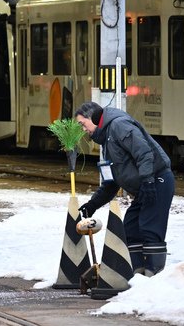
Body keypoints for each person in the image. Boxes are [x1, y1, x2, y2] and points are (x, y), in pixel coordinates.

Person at [75, 101, 175, 277]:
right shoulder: (107, 141)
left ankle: (154, 276)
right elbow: (112, 181)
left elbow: (143, 152)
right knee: (130, 228)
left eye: (83, 124)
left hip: (156, 180)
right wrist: (93, 204)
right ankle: (136, 275)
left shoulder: (118, 125)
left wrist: (148, 181)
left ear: (94, 118)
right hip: (147, 185)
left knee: (149, 229)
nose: (83, 130)